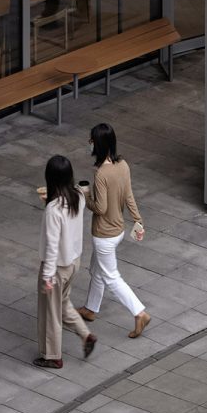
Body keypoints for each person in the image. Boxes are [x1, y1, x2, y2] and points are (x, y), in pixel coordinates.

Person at [78, 120, 151, 342]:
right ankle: (91, 308)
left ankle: (139, 313)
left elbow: (99, 208)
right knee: (97, 269)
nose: (89, 143)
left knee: (111, 277)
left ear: (97, 145)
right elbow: (129, 196)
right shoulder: (123, 165)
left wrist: (85, 194)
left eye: (92, 140)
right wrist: (138, 220)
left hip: (104, 234)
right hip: (118, 229)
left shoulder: (101, 174)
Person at [36, 153, 96, 369]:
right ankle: (85, 335)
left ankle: (52, 355)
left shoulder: (54, 209)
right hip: (73, 262)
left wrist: (47, 276)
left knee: (50, 313)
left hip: (57, 267)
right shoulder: (77, 197)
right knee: (63, 304)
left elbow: (52, 245)